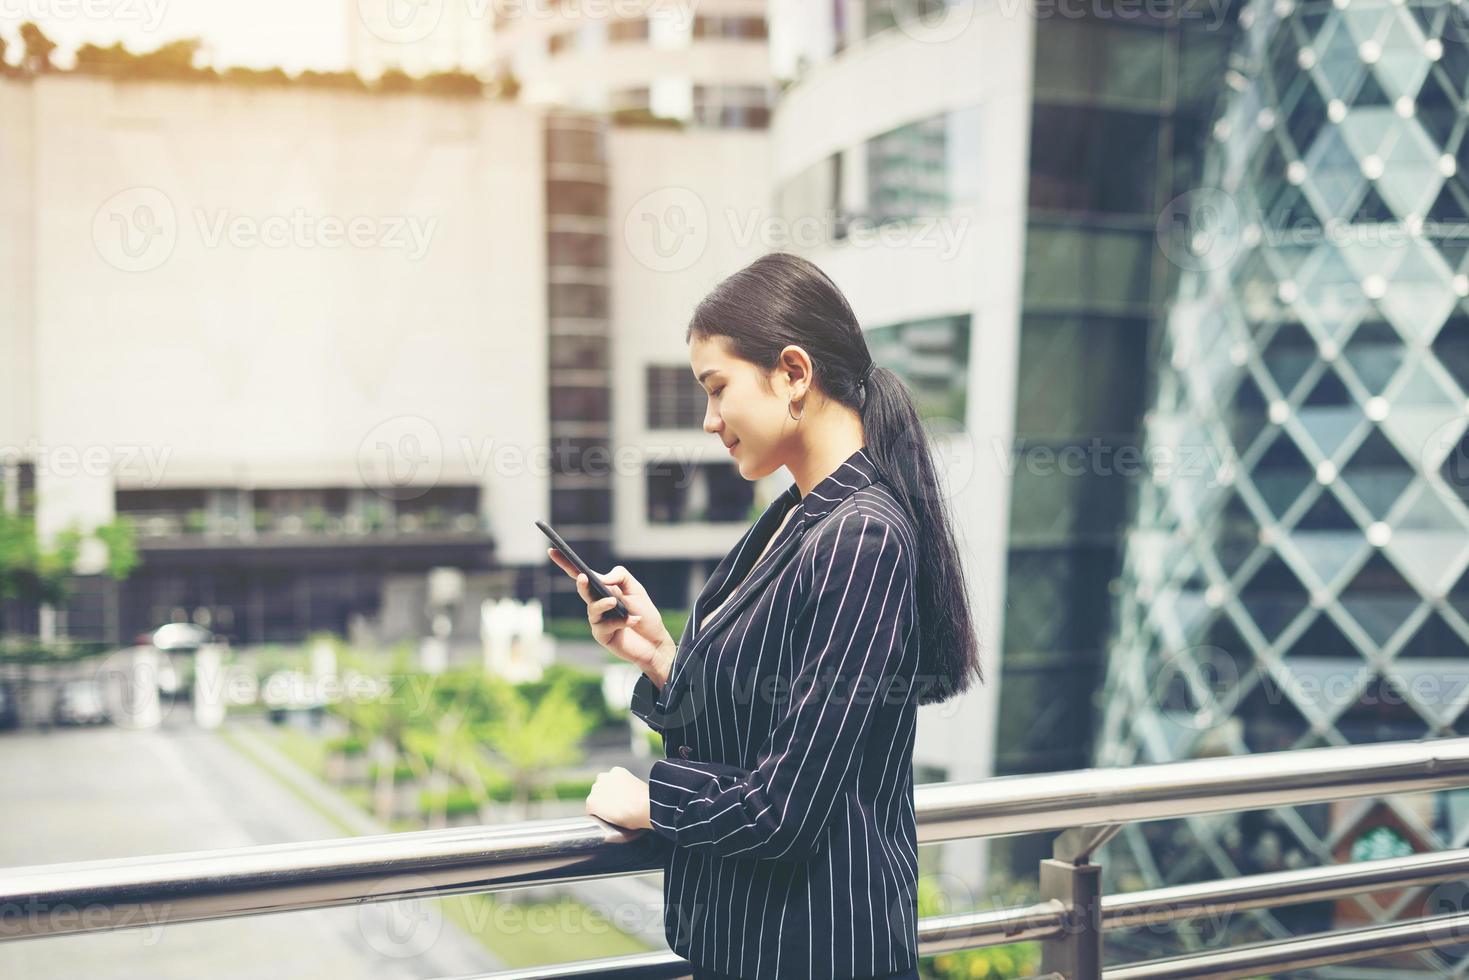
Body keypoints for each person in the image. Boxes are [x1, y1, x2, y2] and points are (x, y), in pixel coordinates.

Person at [548, 251, 983, 979]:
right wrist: (662, 657)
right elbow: (768, 718)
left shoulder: (860, 535)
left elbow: (783, 810)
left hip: (821, 953)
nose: (710, 420)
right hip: (758, 947)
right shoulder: (794, 517)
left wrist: (651, 799)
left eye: (717, 390)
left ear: (793, 373)